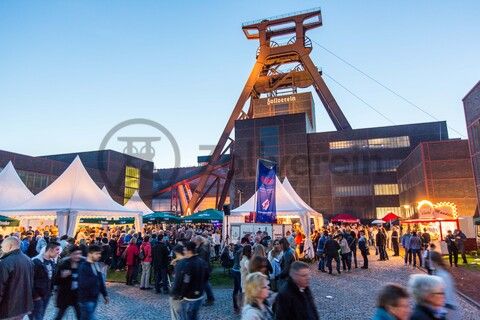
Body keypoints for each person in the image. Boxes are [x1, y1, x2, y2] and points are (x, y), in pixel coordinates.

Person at [170, 241, 210, 320]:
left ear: (189, 251)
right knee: (194, 315)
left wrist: (181, 295)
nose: (184, 252)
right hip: (199, 295)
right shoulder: (201, 262)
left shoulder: (188, 264)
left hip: (189, 297)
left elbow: (186, 281)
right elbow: (207, 276)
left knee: (187, 315)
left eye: (185, 250)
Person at [0, 236, 34, 320]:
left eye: (3, 246)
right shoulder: (28, 259)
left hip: (8, 308)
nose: (1, 248)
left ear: (10, 246)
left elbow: (1, 286)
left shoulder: (6, 262)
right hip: (23, 306)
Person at [78, 244, 109, 320]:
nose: (99, 255)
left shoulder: (96, 265)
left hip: (94, 299)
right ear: (89, 254)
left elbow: (100, 280)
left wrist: (105, 294)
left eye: (100, 253)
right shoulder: (83, 267)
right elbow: (83, 284)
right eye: (97, 253)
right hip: (86, 300)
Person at [31, 241, 61, 320]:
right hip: (37, 296)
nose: (58, 253)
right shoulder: (36, 261)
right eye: (57, 250)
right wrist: (35, 295)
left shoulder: (52, 262)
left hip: (46, 294)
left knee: (40, 315)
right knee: (37, 317)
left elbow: (51, 278)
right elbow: (30, 280)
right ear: (50, 250)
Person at [54, 245, 83, 320]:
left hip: (77, 294)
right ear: (71, 254)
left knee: (80, 315)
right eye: (76, 254)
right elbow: (56, 281)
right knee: (60, 315)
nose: (78, 256)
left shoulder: (82, 264)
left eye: (79, 254)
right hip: (65, 294)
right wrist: (62, 276)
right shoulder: (64, 264)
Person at [430, 252, 460, 320]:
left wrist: (440, 311)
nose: (428, 262)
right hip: (444, 308)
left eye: (429, 260)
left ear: (435, 261)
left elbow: (446, 294)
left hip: (448, 310)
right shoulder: (436, 272)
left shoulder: (443, 275)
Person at [195, 235, 215, 306]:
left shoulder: (202, 248)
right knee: (205, 284)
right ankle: (210, 298)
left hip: (204, 268)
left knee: (205, 284)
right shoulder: (202, 247)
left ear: (199, 241)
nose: (195, 242)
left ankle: (210, 298)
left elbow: (202, 260)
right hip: (205, 268)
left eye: (196, 241)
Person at [232, 238, 248, 313]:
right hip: (239, 271)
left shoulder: (236, 248)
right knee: (241, 289)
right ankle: (241, 306)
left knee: (235, 289)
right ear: (245, 242)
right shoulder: (242, 250)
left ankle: (235, 306)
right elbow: (241, 262)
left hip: (234, 270)